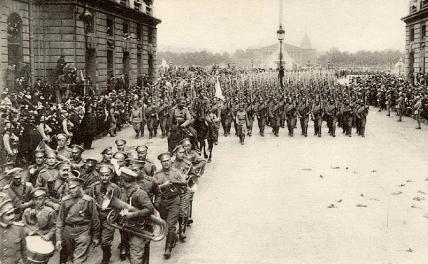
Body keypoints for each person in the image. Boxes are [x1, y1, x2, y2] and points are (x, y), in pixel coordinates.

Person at [56, 177, 100, 264]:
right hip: (68, 231)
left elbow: (95, 220)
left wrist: (96, 236)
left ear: (80, 187)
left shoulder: (88, 200)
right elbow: (60, 220)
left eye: (74, 187)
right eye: (70, 188)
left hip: (83, 232)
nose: (71, 190)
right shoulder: (65, 200)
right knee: (71, 256)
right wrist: (58, 239)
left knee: (78, 260)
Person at [120, 167, 155, 264]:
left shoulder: (140, 193)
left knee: (135, 258)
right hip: (128, 228)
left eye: (121, 179)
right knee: (137, 256)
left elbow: (150, 209)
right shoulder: (123, 191)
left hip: (140, 229)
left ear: (123, 180)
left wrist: (132, 214)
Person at [153, 152, 184, 259]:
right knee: (166, 223)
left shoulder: (177, 172)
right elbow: (153, 189)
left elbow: (184, 185)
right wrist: (163, 186)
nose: (166, 163)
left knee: (171, 224)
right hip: (162, 202)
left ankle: (168, 249)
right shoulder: (157, 174)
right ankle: (173, 237)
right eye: (163, 161)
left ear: (171, 160)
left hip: (174, 200)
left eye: (167, 161)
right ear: (161, 163)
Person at [97, 165, 121, 264]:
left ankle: (106, 258)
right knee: (98, 239)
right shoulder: (94, 187)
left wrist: (114, 216)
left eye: (107, 175)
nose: (104, 177)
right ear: (99, 175)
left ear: (111, 176)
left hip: (109, 218)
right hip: (97, 217)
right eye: (102, 175)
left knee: (105, 240)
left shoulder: (115, 188)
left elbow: (120, 205)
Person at [0, 191, 27, 263]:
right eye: (8, 214)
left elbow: (24, 250)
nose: (12, 217)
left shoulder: (19, 228)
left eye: (13, 213)